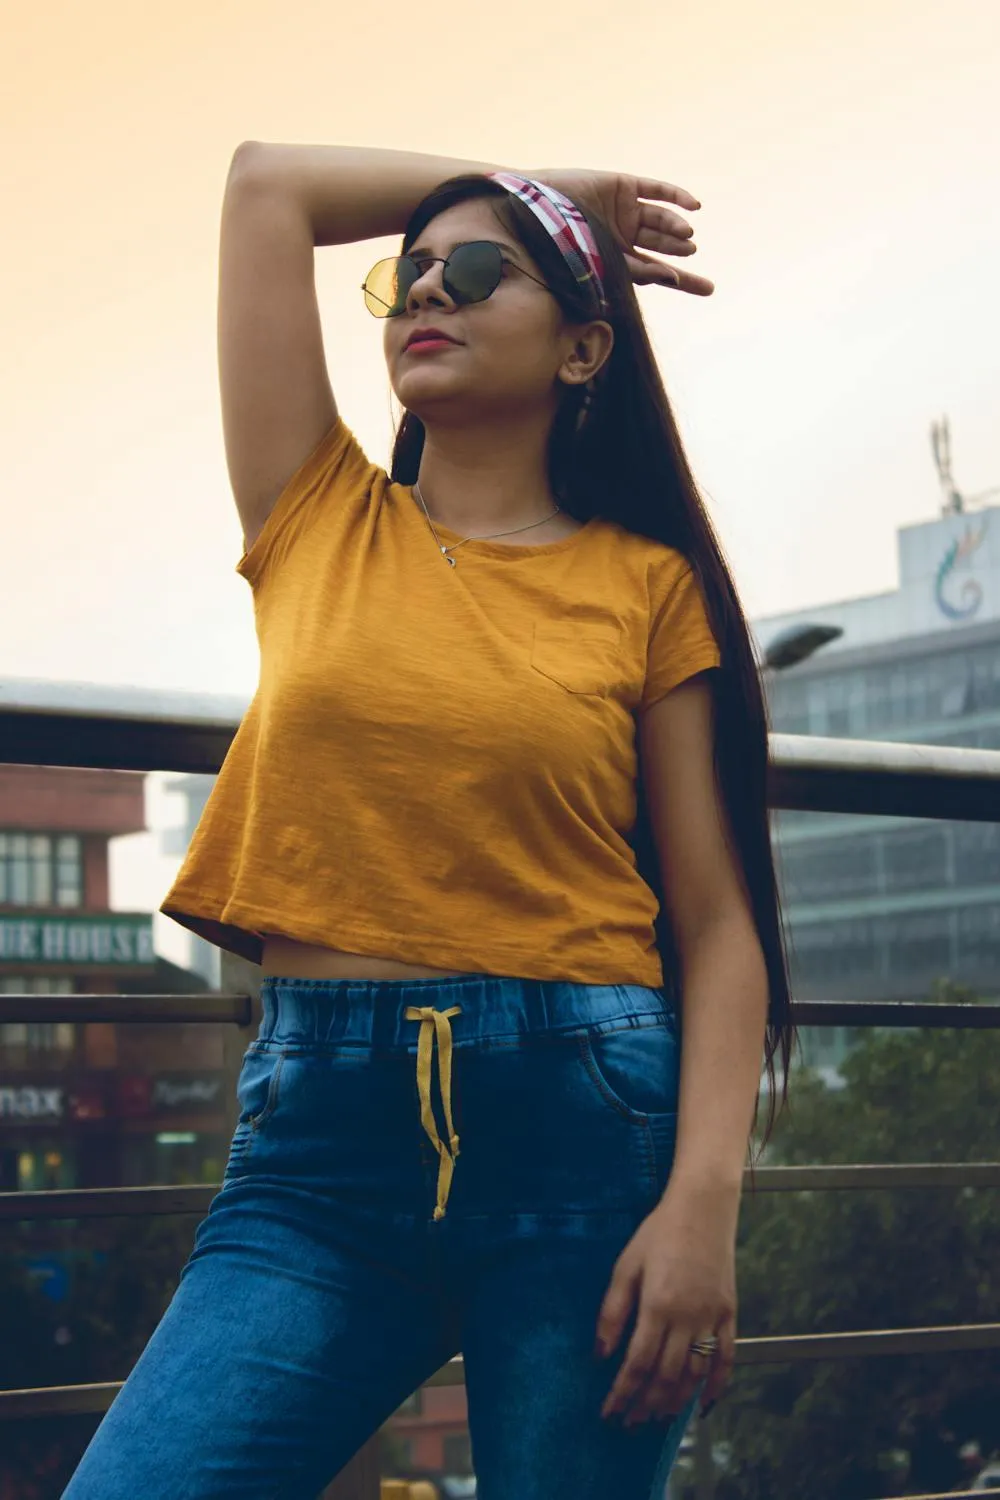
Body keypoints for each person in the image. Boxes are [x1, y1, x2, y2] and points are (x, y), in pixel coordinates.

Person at [64, 144, 794, 1499]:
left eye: (476, 272)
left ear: (585, 351)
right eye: (407, 275)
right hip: (317, 1161)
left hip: (585, 1130)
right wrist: (551, 189)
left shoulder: (645, 585)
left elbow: (716, 923)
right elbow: (263, 188)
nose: (423, 296)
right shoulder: (319, 517)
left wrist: (703, 1209)